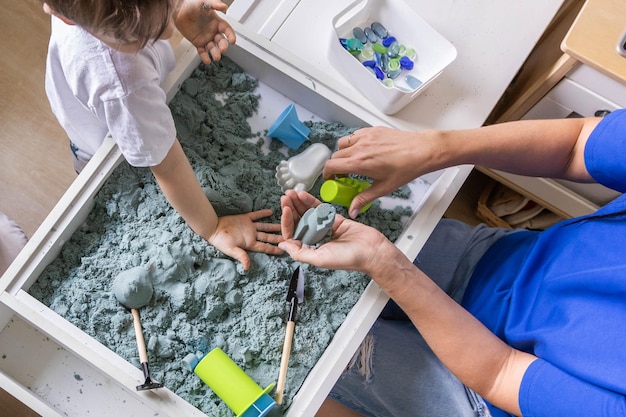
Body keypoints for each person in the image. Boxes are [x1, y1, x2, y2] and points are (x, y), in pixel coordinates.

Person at [279, 111, 626, 417]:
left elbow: (500, 372)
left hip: (490, 393)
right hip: (503, 264)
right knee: (351, 274)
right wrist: (436, 147)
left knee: (312, 352)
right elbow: (577, 145)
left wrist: (388, 266)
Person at [40, 0, 283, 270]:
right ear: (58, 12)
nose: (169, 31)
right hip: (102, 141)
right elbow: (167, 164)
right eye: (145, 34)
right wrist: (212, 228)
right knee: (100, 184)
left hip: (133, 92)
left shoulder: (91, 12)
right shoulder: (123, 83)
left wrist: (179, 10)